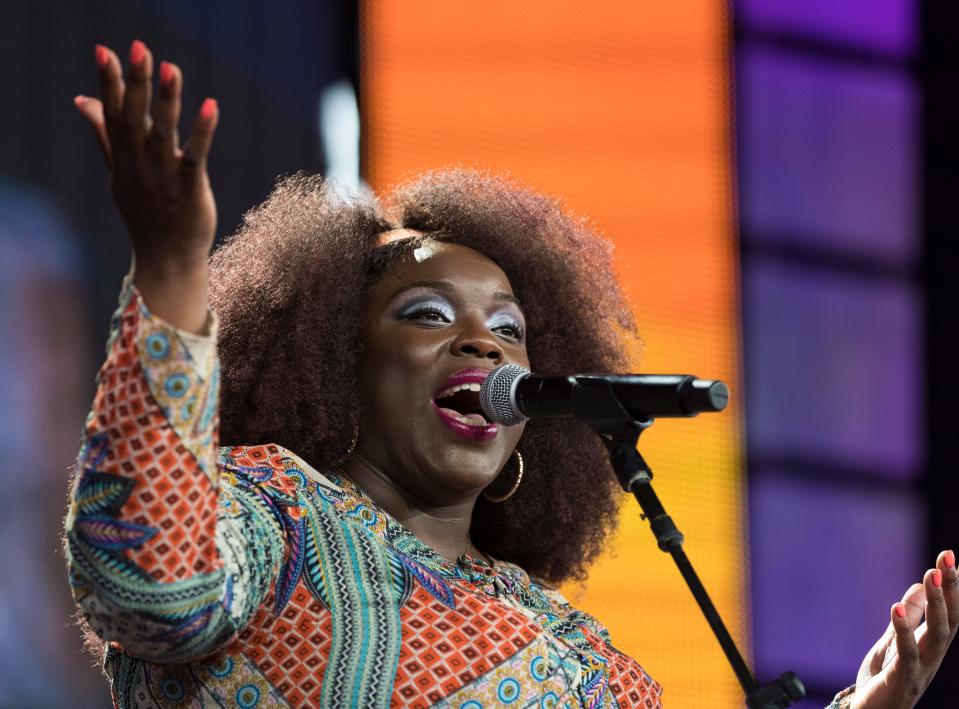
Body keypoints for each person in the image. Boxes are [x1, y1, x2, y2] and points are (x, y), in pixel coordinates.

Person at [67, 40, 957, 709]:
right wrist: (172, 264)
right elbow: (150, 586)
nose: (485, 347)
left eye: (509, 329)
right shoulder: (269, 516)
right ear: (335, 360)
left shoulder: (574, 650)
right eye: (427, 314)